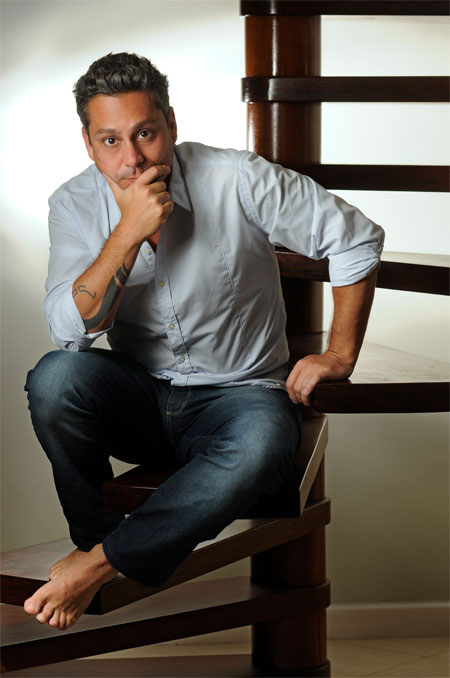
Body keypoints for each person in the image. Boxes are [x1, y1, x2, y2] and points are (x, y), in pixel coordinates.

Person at [24, 52, 384, 631]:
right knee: (53, 379)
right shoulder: (73, 203)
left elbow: (356, 239)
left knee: (263, 446)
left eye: (145, 133)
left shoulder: (235, 177)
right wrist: (127, 233)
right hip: (144, 396)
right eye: (111, 141)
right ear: (88, 145)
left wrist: (340, 354)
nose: (132, 158)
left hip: (242, 396)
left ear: (171, 124)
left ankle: (99, 562)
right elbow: (69, 333)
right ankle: (96, 538)